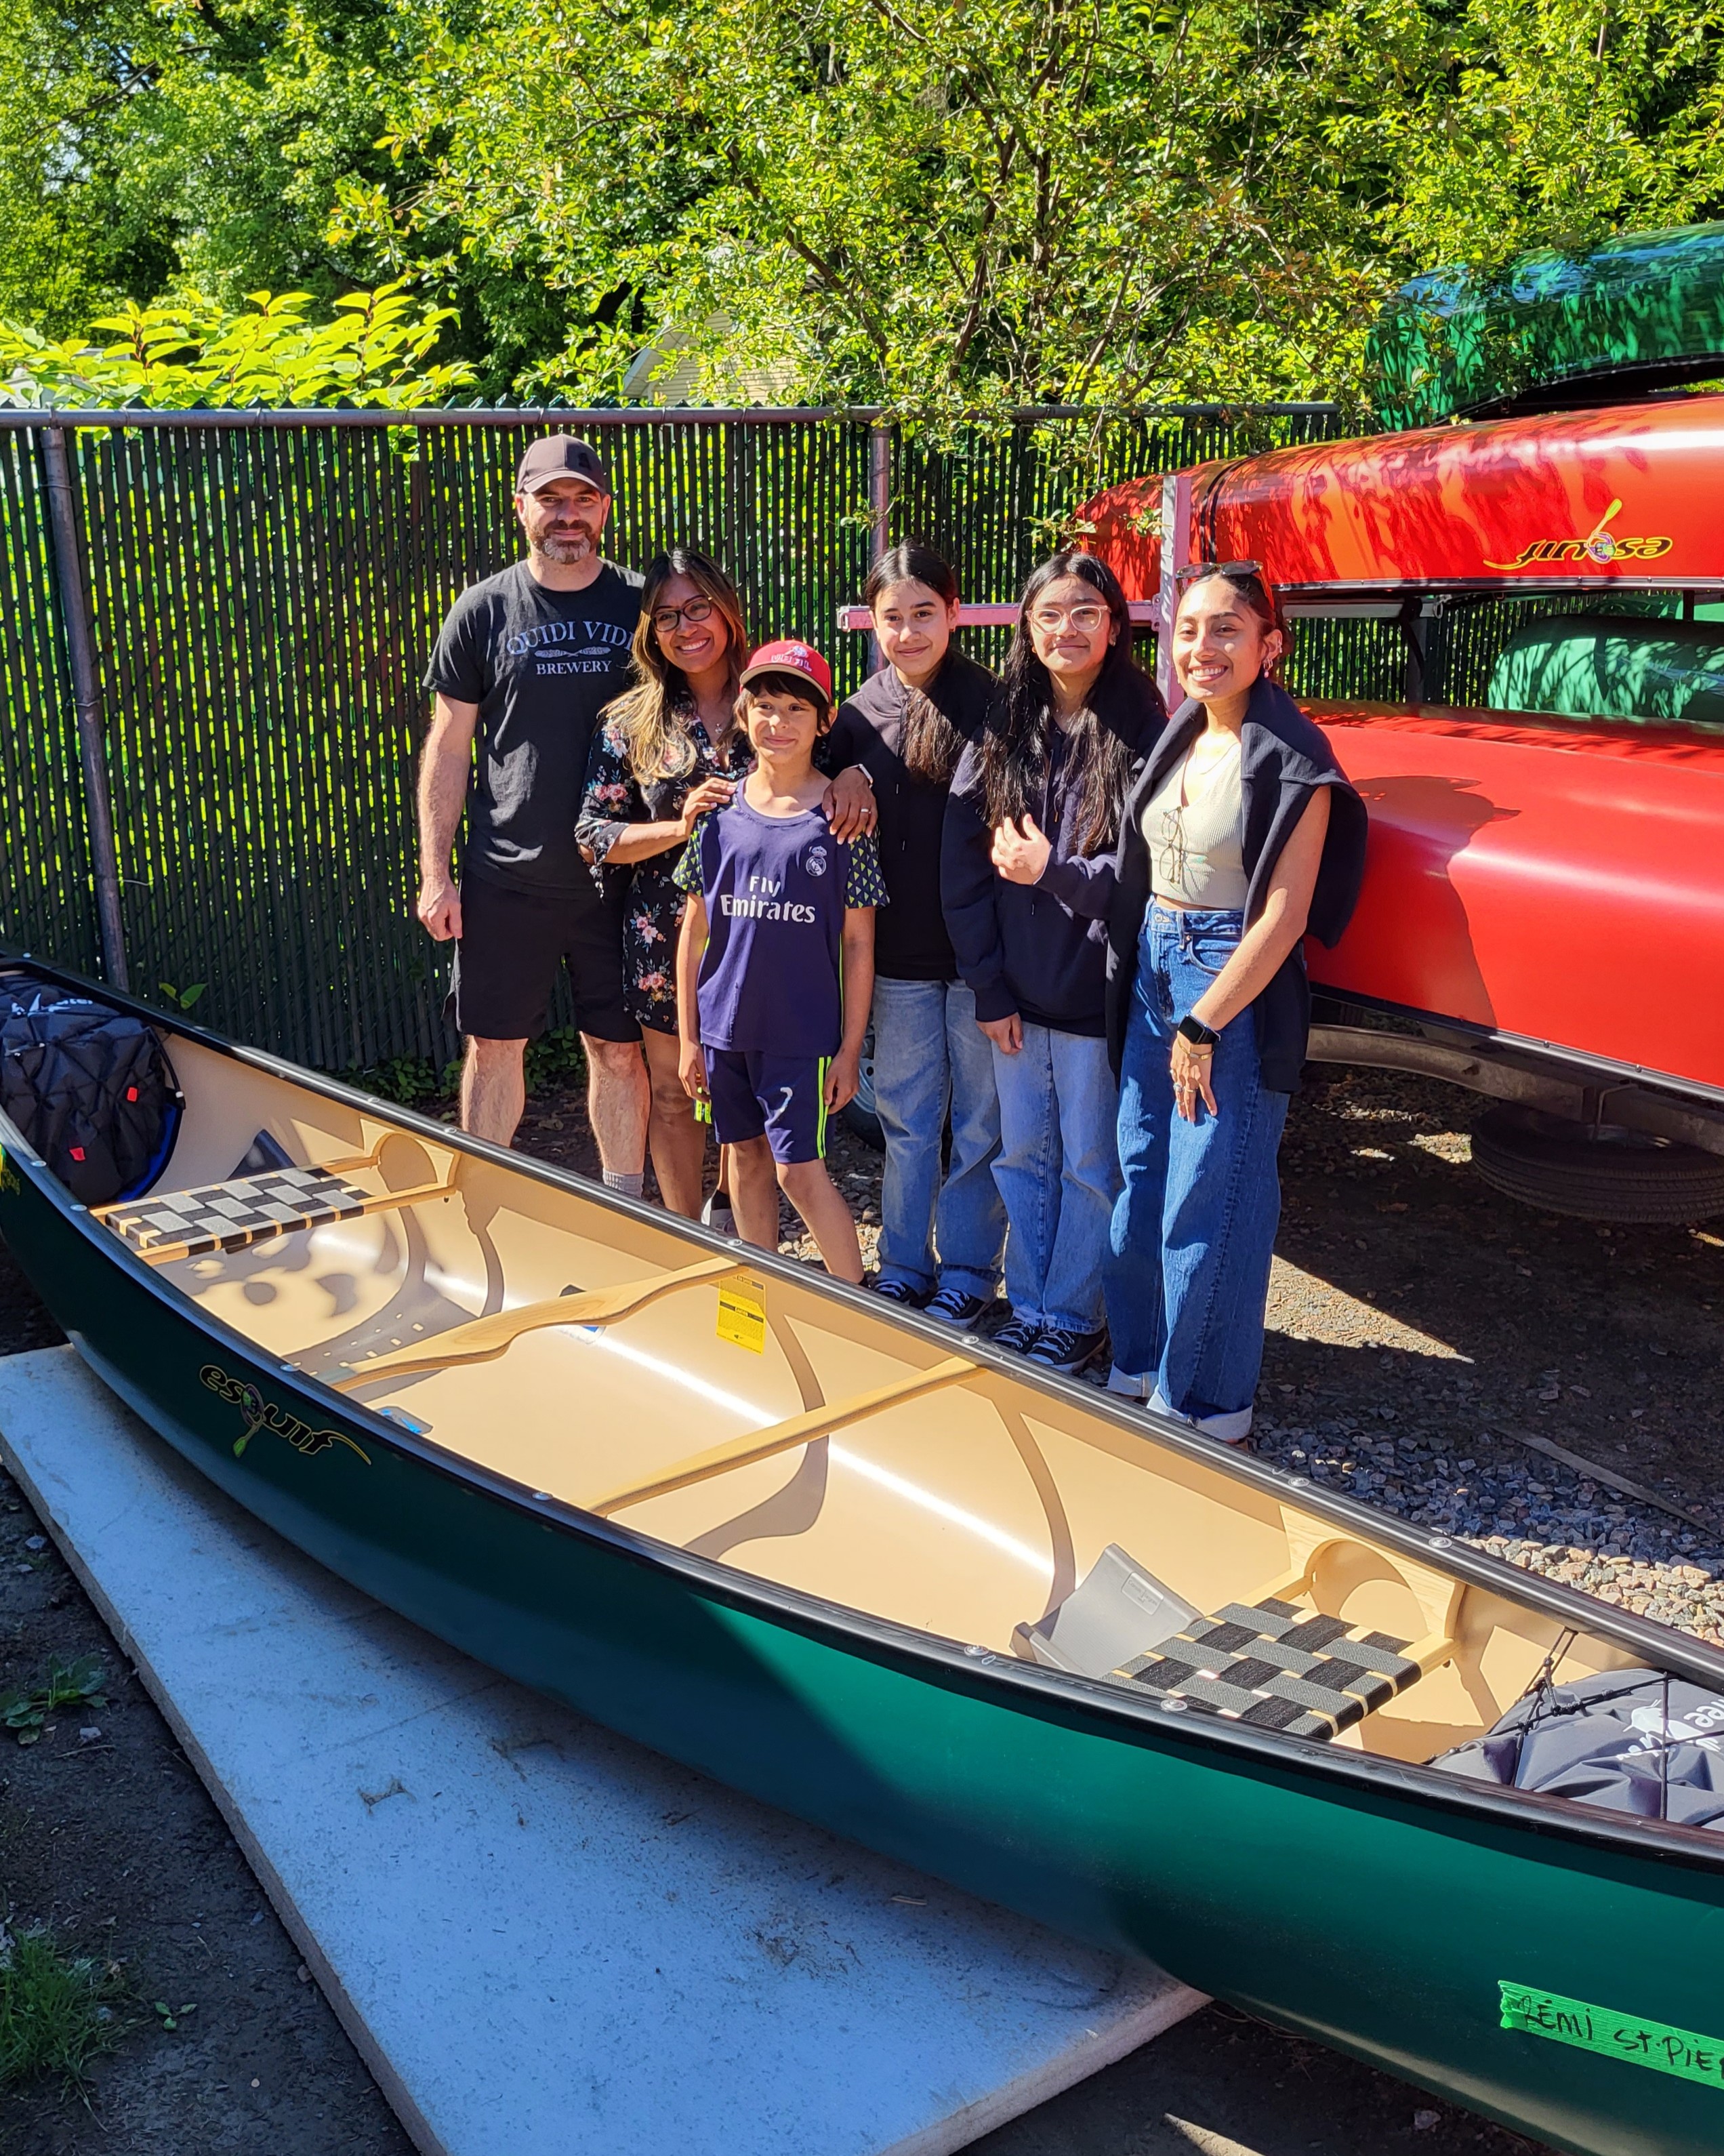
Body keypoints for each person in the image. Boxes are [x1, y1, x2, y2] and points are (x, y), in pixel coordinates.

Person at [1102, 563, 1367, 1442]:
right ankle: (1137, 1364)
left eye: (1225, 629)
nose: (1200, 648)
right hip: (1152, 959)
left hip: (1226, 980)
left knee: (1205, 1193)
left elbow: (1286, 916)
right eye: (1186, 629)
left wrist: (1205, 1019)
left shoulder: (1293, 762)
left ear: (1270, 644)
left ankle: (1205, 1407)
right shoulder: (1185, 728)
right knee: (1141, 1172)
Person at [577, 550, 878, 1221]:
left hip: (772, 949)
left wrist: (858, 776)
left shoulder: (773, 691)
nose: (685, 627)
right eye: (666, 617)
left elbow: (834, 754)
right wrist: (678, 829)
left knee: (757, 1120)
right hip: (673, 939)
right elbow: (593, 833)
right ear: (650, 632)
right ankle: (690, 1235)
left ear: (727, 609)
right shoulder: (630, 723)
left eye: (697, 608)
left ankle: (739, 1223)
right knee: (677, 1095)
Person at [942, 551, 1164, 1372]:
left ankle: (1075, 1312)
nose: (1065, 630)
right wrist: (988, 985)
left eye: (1084, 613)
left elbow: (1146, 877)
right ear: (1026, 629)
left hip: (1094, 998)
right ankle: (1031, 1303)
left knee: (1089, 1165)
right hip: (1014, 997)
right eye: (1049, 615)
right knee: (1020, 1154)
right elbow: (962, 868)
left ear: (1113, 626)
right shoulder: (1005, 727)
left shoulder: (1146, 727)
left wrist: (1054, 873)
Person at [416, 434, 647, 1192]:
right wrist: (435, 874)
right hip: (506, 879)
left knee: (620, 1050)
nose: (567, 515)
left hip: (622, 877)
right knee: (494, 1046)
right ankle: (482, 1200)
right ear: (521, 508)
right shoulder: (483, 609)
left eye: (582, 499)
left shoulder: (645, 607)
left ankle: (624, 1207)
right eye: (551, 499)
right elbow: (449, 748)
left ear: (605, 509)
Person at [825, 545, 1004, 1328]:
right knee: (904, 1118)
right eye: (892, 618)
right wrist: (842, 773)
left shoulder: (995, 705)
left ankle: (967, 1270)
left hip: (978, 962)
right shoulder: (856, 714)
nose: (907, 632)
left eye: (923, 614)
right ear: (874, 622)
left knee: (979, 1125)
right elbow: (804, 783)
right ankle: (903, 1264)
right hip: (894, 959)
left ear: (955, 612)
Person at [674, 640, 885, 1283]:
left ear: (824, 722)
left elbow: (857, 943)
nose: (778, 722)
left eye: (797, 708)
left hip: (801, 1037)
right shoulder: (717, 816)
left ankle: (858, 1308)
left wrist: (849, 1051)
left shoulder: (843, 822)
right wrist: (688, 1038)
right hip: (724, 1031)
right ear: (743, 712)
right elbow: (694, 931)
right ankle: (759, 1298)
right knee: (743, 1158)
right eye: (765, 705)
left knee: (799, 1169)